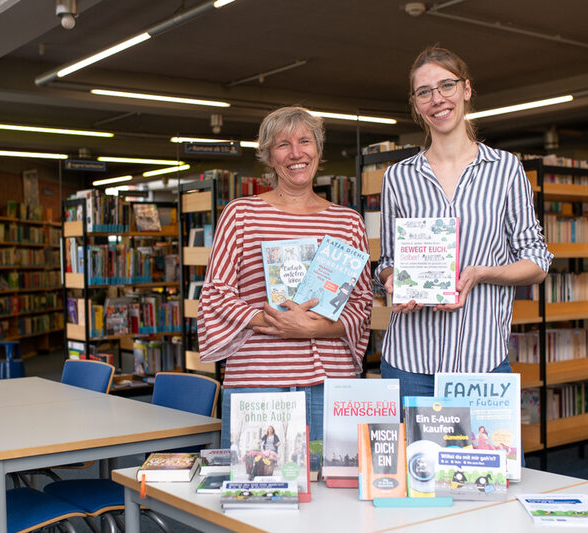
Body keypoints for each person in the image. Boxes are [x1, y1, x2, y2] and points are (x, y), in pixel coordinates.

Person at [376, 45, 552, 398]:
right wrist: (393, 279)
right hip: (408, 361)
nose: (437, 99)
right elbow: (388, 261)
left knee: (483, 453)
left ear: (466, 89)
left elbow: (538, 262)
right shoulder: (397, 177)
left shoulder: (506, 170)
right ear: (415, 104)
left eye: (446, 86)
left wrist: (481, 273)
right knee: (412, 456)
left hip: (479, 360)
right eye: (424, 92)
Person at [197, 106, 373, 448]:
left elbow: (363, 304)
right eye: (283, 144)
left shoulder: (347, 222)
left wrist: (316, 328)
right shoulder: (242, 214)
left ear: (318, 151)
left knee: (333, 484)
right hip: (258, 378)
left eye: (305, 141)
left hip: (330, 380)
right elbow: (217, 293)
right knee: (260, 485)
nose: (296, 153)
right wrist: (273, 321)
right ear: (268, 155)